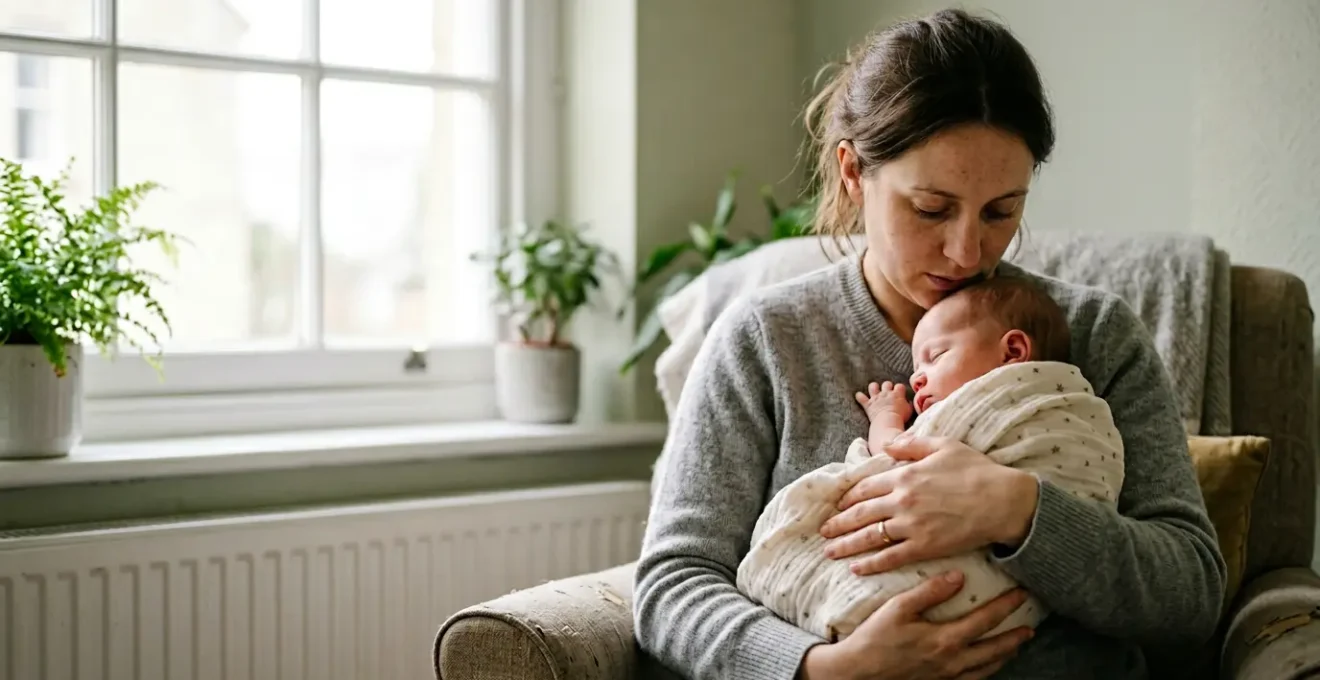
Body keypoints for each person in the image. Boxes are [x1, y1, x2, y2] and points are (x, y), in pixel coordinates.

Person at [633, 7, 1226, 680]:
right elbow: (673, 586)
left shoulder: (1092, 335)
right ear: (855, 174)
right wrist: (828, 669)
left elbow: (1191, 595)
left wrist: (1015, 509)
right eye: (931, 209)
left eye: (1002, 210)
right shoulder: (766, 341)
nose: (967, 250)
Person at [734, 277, 1125, 649]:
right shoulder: (759, 330)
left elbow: (898, 453)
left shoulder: (1010, 398)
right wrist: (822, 668)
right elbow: (681, 572)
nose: (916, 379)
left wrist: (886, 418)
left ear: (1014, 353)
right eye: (928, 208)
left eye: (935, 357)